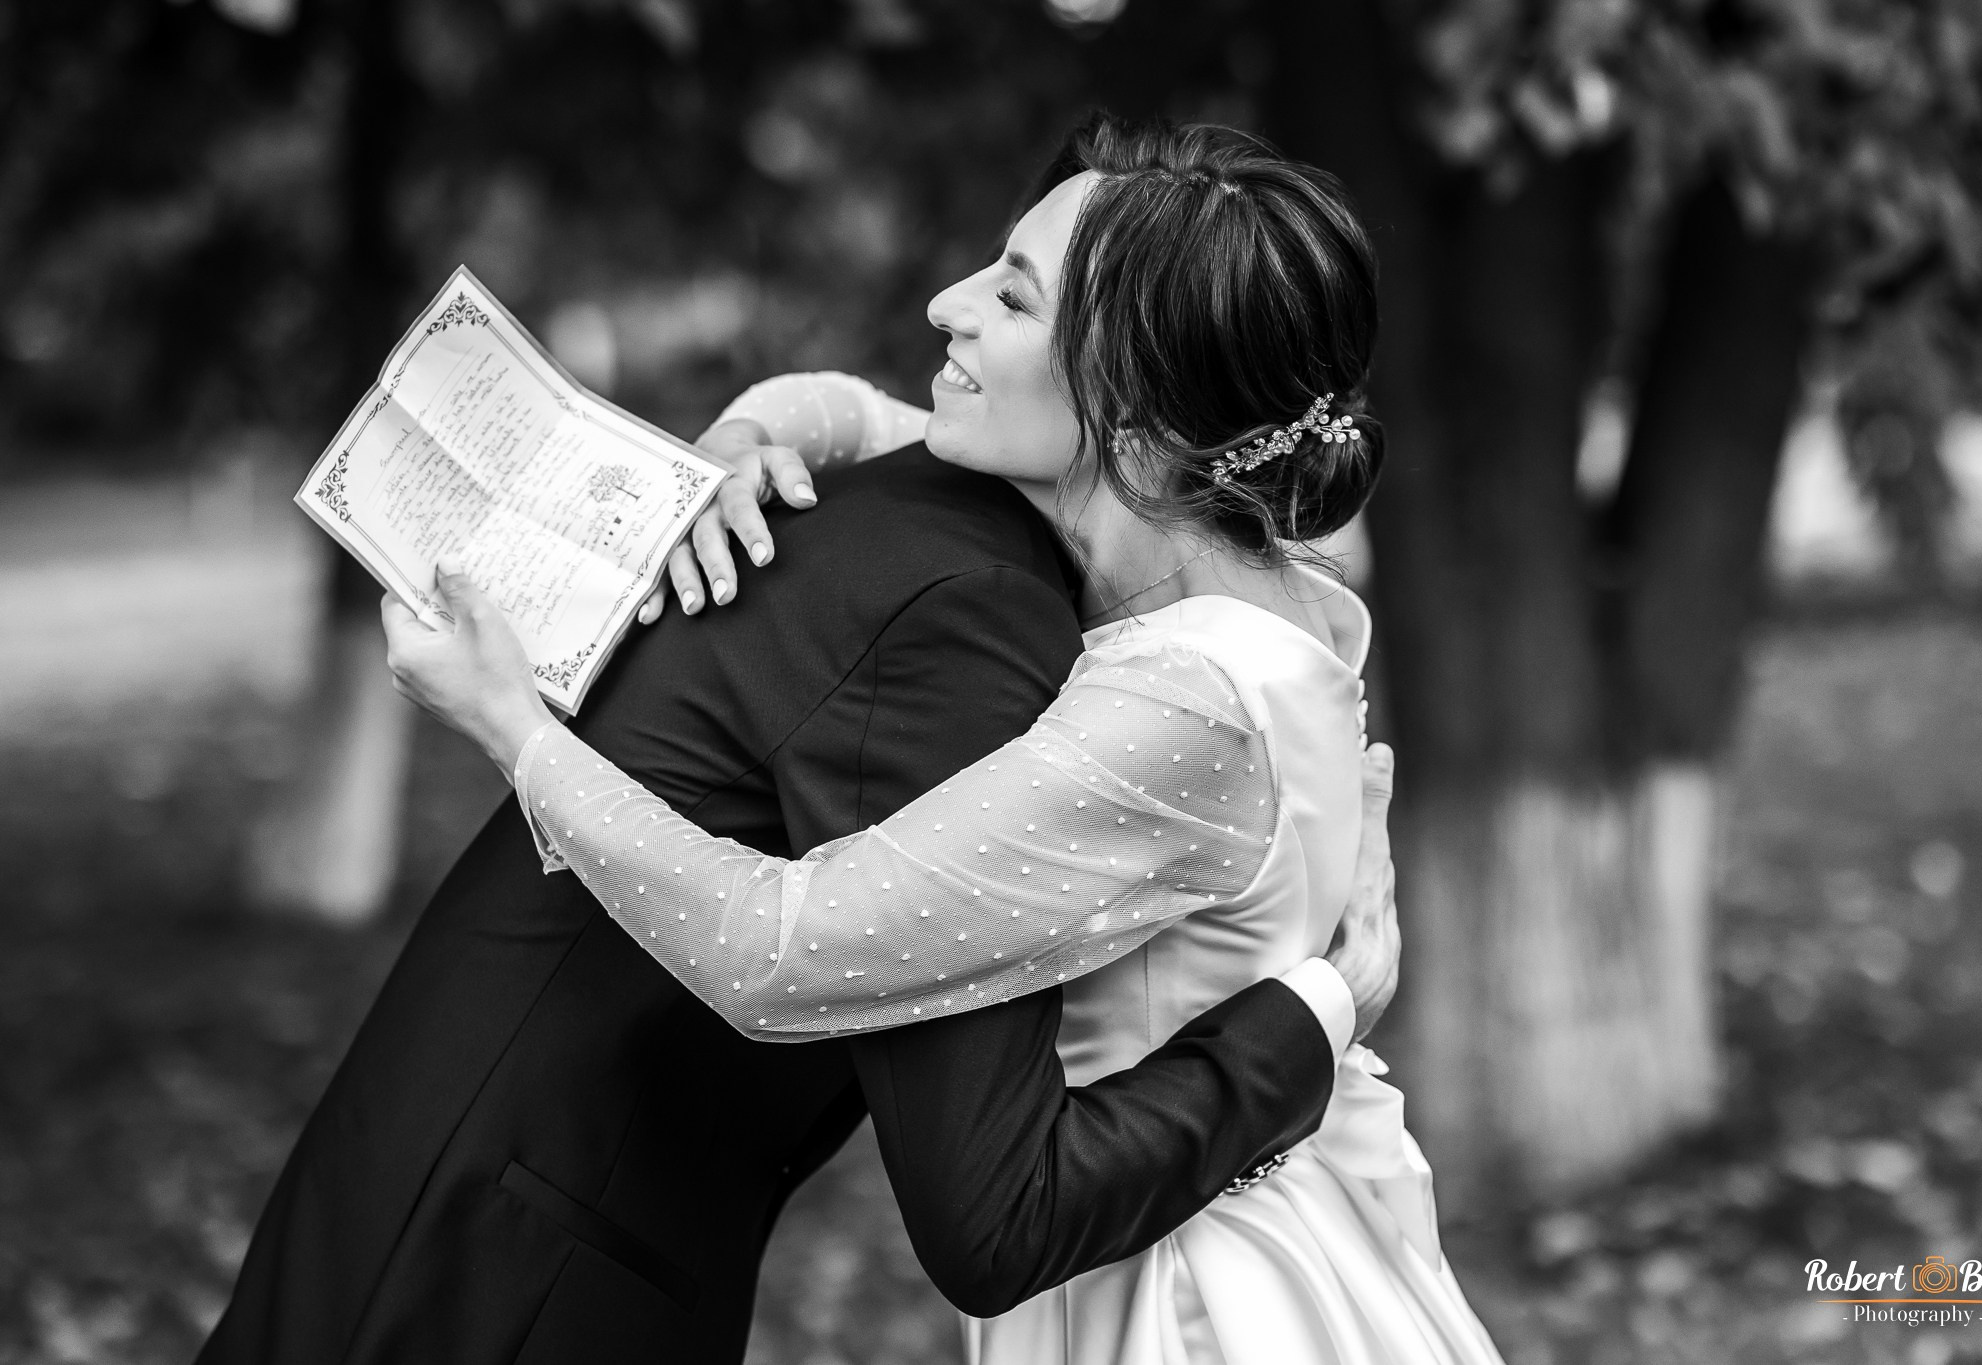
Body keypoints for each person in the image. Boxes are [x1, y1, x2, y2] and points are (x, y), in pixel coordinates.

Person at [199, 166, 1400, 1365]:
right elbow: (847, 406)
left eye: (1015, 300)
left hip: (1201, 1294)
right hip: (493, 1216)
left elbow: (784, 951)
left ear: (1137, 419)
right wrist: (740, 438)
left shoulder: (1128, 673)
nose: (945, 302)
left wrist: (510, 724)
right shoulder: (1139, 546)